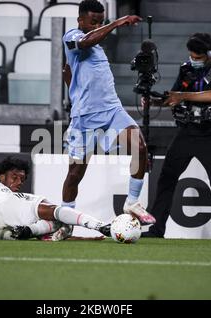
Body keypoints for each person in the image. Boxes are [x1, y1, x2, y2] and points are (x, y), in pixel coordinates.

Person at [61, 0, 156, 225]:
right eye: (93, 21)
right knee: (74, 175)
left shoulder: (98, 48)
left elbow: (68, 69)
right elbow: (85, 42)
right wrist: (117, 23)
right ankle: (64, 221)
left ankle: (132, 202)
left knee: (140, 147)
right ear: (80, 20)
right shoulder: (72, 37)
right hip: (85, 118)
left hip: (112, 110)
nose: (96, 26)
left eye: (100, 22)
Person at [144, 33, 211, 240]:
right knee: (166, 179)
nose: (193, 60)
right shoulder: (186, 69)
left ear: (209, 53)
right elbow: (174, 98)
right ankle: (156, 230)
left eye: (198, 57)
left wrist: (183, 96)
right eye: (191, 56)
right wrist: (154, 102)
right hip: (187, 132)